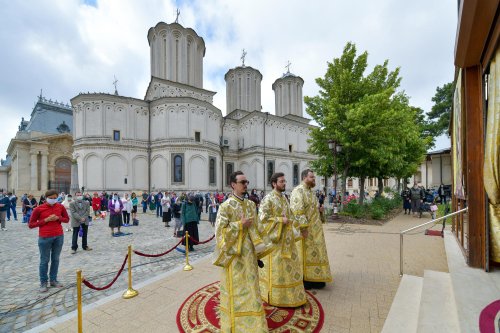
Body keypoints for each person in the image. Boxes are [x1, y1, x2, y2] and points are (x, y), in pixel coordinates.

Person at [213, 171, 269, 332]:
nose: (245, 185)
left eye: (247, 182)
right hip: (235, 257)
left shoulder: (251, 205)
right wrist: (239, 225)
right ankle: (237, 325)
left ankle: (255, 321)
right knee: (237, 289)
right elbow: (219, 233)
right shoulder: (225, 206)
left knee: (252, 286)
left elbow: (258, 227)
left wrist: (261, 248)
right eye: (242, 182)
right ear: (233, 185)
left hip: (250, 255)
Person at [258, 172, 306, 307]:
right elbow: (262, 220)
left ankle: (292, 296)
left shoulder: (284, 198)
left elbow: (290, 215)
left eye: (285, 181)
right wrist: (280, 220)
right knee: (279, 271)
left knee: (291, 268)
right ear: (274, 183)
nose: (284, 183)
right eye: (282, 181)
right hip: (276, 243)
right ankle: (277, 298)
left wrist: (298, 227)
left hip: (288, 241)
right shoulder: (268, 199)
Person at [290, 169, 332, 290]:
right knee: (305, 254)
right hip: (305, 230)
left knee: (316, 254)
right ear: (304, 178)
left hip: (316, 231)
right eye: (311, 177)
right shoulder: (298, 191)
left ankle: (316, 277)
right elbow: (297, 211)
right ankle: (305, 279)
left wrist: (320, 211)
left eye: (314, 177)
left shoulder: (311, 192)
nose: (314, 179)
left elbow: (313, 209)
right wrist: (303, 228)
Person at [29, 189, 69, 292]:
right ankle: (43, 283)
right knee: (44, 261)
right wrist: (45, 220)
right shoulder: (38, 209)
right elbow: (31, 225)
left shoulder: (60, 207)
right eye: (51, 198)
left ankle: (53, 280)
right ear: (46, 198)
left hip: (59, 236)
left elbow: (66, 219)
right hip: (45, 237)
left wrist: (58, 218)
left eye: (55, 198)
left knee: (55, 259)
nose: (53, 200)